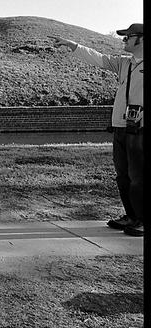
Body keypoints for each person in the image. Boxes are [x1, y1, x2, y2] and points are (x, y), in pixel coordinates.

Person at [53, 23, 144, 236]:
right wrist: (73, 46)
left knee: (139, 177)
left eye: (128, 37)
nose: (123, 40)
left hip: (141, 130)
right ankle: (131, 216)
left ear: (141, 39)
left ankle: (142, 219)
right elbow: (99, 58)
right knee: (123, 176)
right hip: (121, 127)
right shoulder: (125, 63)